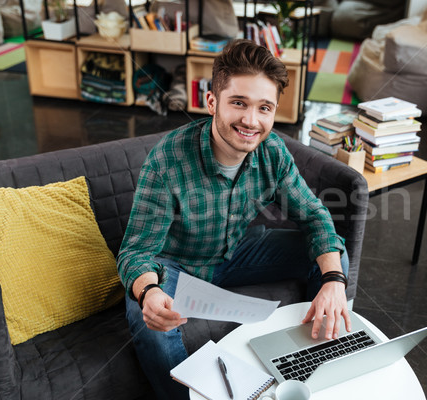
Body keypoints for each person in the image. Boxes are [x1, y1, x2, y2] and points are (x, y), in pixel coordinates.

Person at [117, 39, 351, 399]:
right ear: (212, 102)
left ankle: (305, 368)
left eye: (264, 108)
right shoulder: (167, 161)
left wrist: (334, 280)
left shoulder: (273, 151)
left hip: (237, 252)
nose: (251, 121)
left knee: (334, 260)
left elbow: (315, 216)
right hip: (177, 267)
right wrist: (148, 291)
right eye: (239, 103)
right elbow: (135, 252)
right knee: (147, 321)